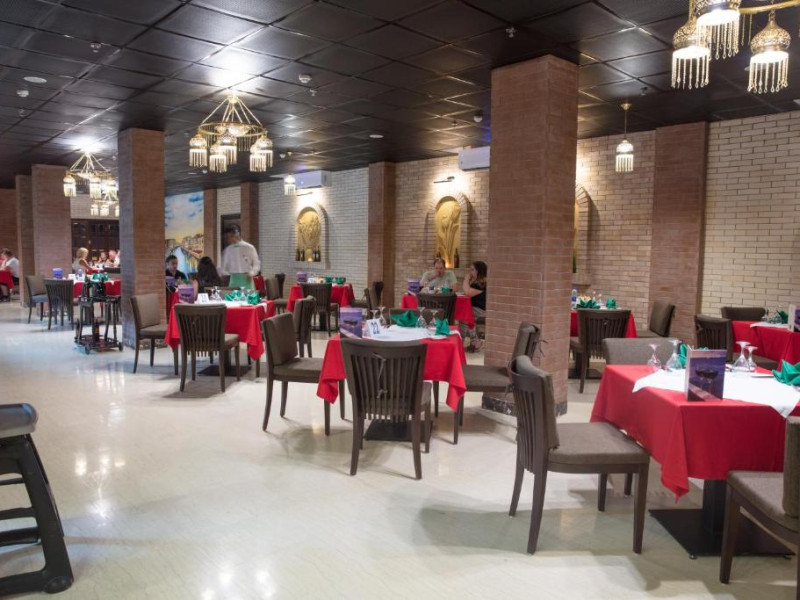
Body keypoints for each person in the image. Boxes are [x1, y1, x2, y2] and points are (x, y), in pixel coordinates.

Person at [219, 224, 260, 289]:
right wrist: (223, 273)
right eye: (227, 237)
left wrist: (252, 273)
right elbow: (223, 268)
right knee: (232, 295)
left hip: (247, 278)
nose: (229, 240)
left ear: (237, 234)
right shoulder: (228, 250)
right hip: (233, 279)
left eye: (231, 236)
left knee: (248, 295)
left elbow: (256, 264)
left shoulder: (249, 247)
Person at [461, 261, 487, 352]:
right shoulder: (480, 282)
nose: (470, 272)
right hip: (476, 308)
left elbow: (467, 292)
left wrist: (466, 279)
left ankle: (463, 343)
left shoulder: (481, 284)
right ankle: (475, 342)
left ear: (478, 271)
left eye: (472, 270)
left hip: (480, 309)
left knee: (464, 317)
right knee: (465, 316)